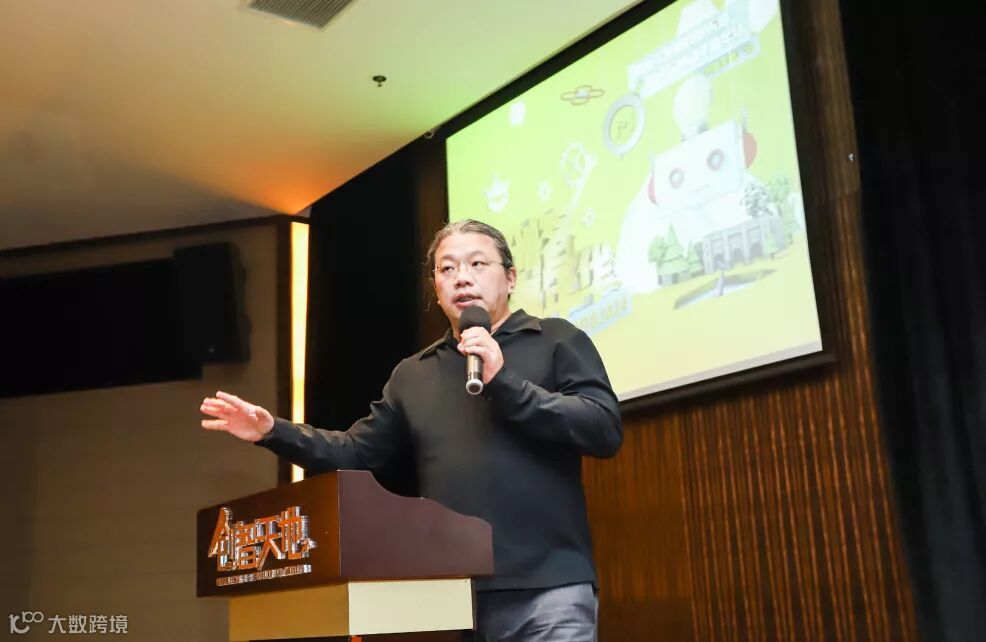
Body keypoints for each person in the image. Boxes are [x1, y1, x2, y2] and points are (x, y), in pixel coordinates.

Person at [201, 219, 623, 642]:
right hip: (452, 598)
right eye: (447, 268)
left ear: (510, 277)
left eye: (477, 264)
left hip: (548, 590)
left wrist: (506, 383)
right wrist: (272, 430)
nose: (462, 278)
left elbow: (602, 427)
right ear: (436, 289)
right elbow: (355, 452)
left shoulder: (556, 340)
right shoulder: (414, 374)